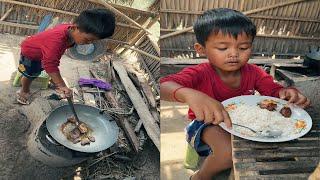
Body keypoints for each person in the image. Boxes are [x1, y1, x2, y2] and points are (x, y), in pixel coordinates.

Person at [160, 8, 310, 180]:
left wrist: (287, 92)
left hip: (243, 123)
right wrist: (187, 94)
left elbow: (273, 91)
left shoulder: (254, 72)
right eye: (223, 48)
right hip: (207, 123)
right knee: (228, 153)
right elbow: (164, 85)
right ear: (201, 49)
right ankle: (200, 177)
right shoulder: (199, 73)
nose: (234, 54)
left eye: (243, 47)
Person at [16, 8, 115, 104]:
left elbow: (50, 60)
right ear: (74, 28)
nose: (89, 43)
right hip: (30, 54)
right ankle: (24, 91)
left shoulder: (71, 31)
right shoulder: (56, 41)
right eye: (88, 39)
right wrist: (61, 85)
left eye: (94, 41)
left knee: (43, 67)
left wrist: (58, 81)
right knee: (30, 74)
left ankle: (52, 80)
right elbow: (50, 65)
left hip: (43, 53)